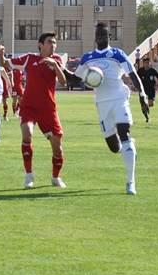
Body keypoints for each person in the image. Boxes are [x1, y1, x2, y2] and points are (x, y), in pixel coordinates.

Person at [64, 22, 150, 195]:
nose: (100, 36)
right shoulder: (88, 57)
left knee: (124, 132)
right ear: (95, 36)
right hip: (102, 103)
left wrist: (142, 95)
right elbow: (75, 80)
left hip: (119, 98)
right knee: (114, 147)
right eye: (98, 34)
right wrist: (59, 67)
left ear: (110, 36)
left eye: (103, 33)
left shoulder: (118, 54)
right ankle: (130, 147)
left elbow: (132, 75)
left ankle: (130, 181)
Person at [0, 33, 69, 189]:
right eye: (50, 42)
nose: (53, 45)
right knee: (27, 134)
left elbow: (63, 82)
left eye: (55, 43)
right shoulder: (30, 58)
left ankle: (55, 178)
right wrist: (1, 53)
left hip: (48, 109)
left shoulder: (57, 59)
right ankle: (29, 176)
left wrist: (55, 65)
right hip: (29, 106)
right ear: (40, 45)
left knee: (57, 149)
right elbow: (3, 63)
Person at [136, 56, 158, 121]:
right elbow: (135, 79)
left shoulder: (152, 71)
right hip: (142, 89)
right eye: (145, 62)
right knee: (143, 105)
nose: (146, 64)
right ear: (143, 63)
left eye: (148, 62)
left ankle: (147, 106)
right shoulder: (140, 71)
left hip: (151, 88)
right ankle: (147, 118)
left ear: (150, 63)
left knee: (151, 104)